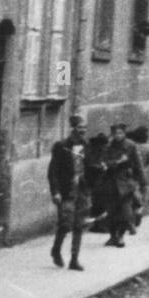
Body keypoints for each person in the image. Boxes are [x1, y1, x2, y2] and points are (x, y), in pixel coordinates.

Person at [48, 114, 91, 270]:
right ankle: (56, 250)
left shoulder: (87, 145)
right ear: (73, 129)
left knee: (79, 225)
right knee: (65, 224)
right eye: (80, 127)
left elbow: (90, 166)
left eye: (84, 127)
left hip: (82, 191)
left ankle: (74, 259)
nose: (83, 130)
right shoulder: (61, 146)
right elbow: (53, 171)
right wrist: (55, 192)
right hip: (67, 191)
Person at [103, 124, 147, 246]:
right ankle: (113, 236)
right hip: (111, 182)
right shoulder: (108, 146)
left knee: (126, 213)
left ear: (124, 133)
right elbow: (105, 162)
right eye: (115, 133)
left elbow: (138, 165)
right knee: (111, 212)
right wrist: (118, 162)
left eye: (120, 133)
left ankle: (121, 236)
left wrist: (142, 183)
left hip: (126, 184)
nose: (118, 136)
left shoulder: (131, 146)